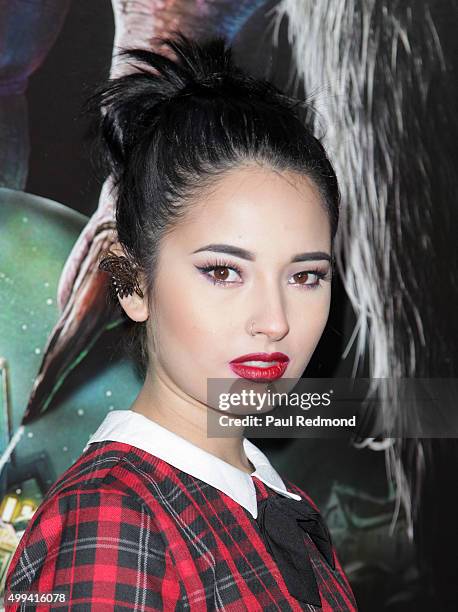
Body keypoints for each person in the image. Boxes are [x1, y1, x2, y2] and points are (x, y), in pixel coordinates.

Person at [4, 32, 357, 611]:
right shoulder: (109, 523)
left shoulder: (284, 503)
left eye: (304, 277)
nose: (274, 322)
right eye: (222, 272)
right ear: (132, 283)